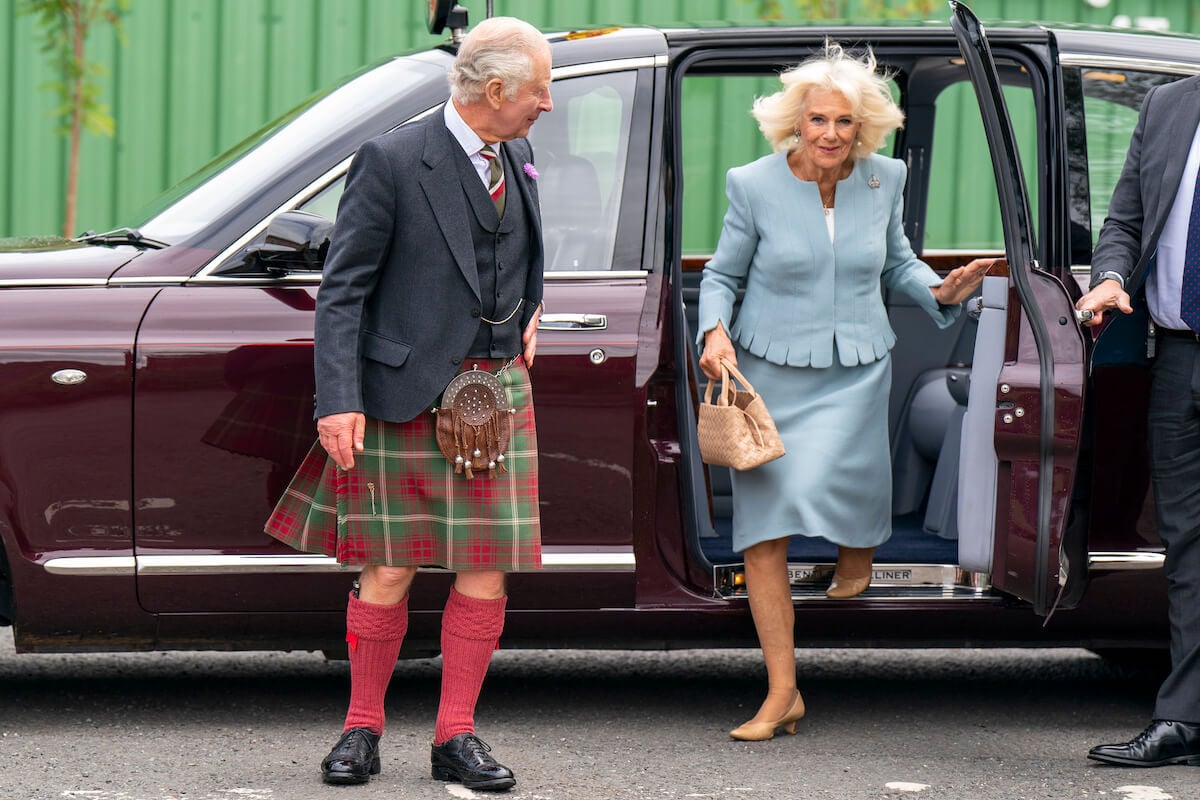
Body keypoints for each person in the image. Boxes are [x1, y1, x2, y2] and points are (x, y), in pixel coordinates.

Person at [263, 16, 552, 791]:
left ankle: (456, 735)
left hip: (494, 393)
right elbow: (343, 292)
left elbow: (522, 251)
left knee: (485, 568)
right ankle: (362, 727)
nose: (547, 104)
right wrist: (339, 400)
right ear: (495, 90)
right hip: (404, 394)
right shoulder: (391, 161)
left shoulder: (516, 152)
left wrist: (530, 308)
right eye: (540, 88)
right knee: (386, 568)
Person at [696, 43, 992, 742]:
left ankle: (859, 543)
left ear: (865, 128)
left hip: (858, 367)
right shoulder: (753, 184)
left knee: (851, 486)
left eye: (845, 123)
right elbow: (721, 275)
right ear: (793, 124)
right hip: (771, 369)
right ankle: (782, 692)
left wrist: (939, 289)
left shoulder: (882, 180)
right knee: (765, 530)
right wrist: (714, 331)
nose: (831, 134)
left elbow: (896, 263)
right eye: (818, 120)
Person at [1075, 75, 1200, 768]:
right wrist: (1114, 273)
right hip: (1177, 355)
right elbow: (1124, 220)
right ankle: (1184, 719)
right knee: (1187, 548)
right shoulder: (1168, 104)